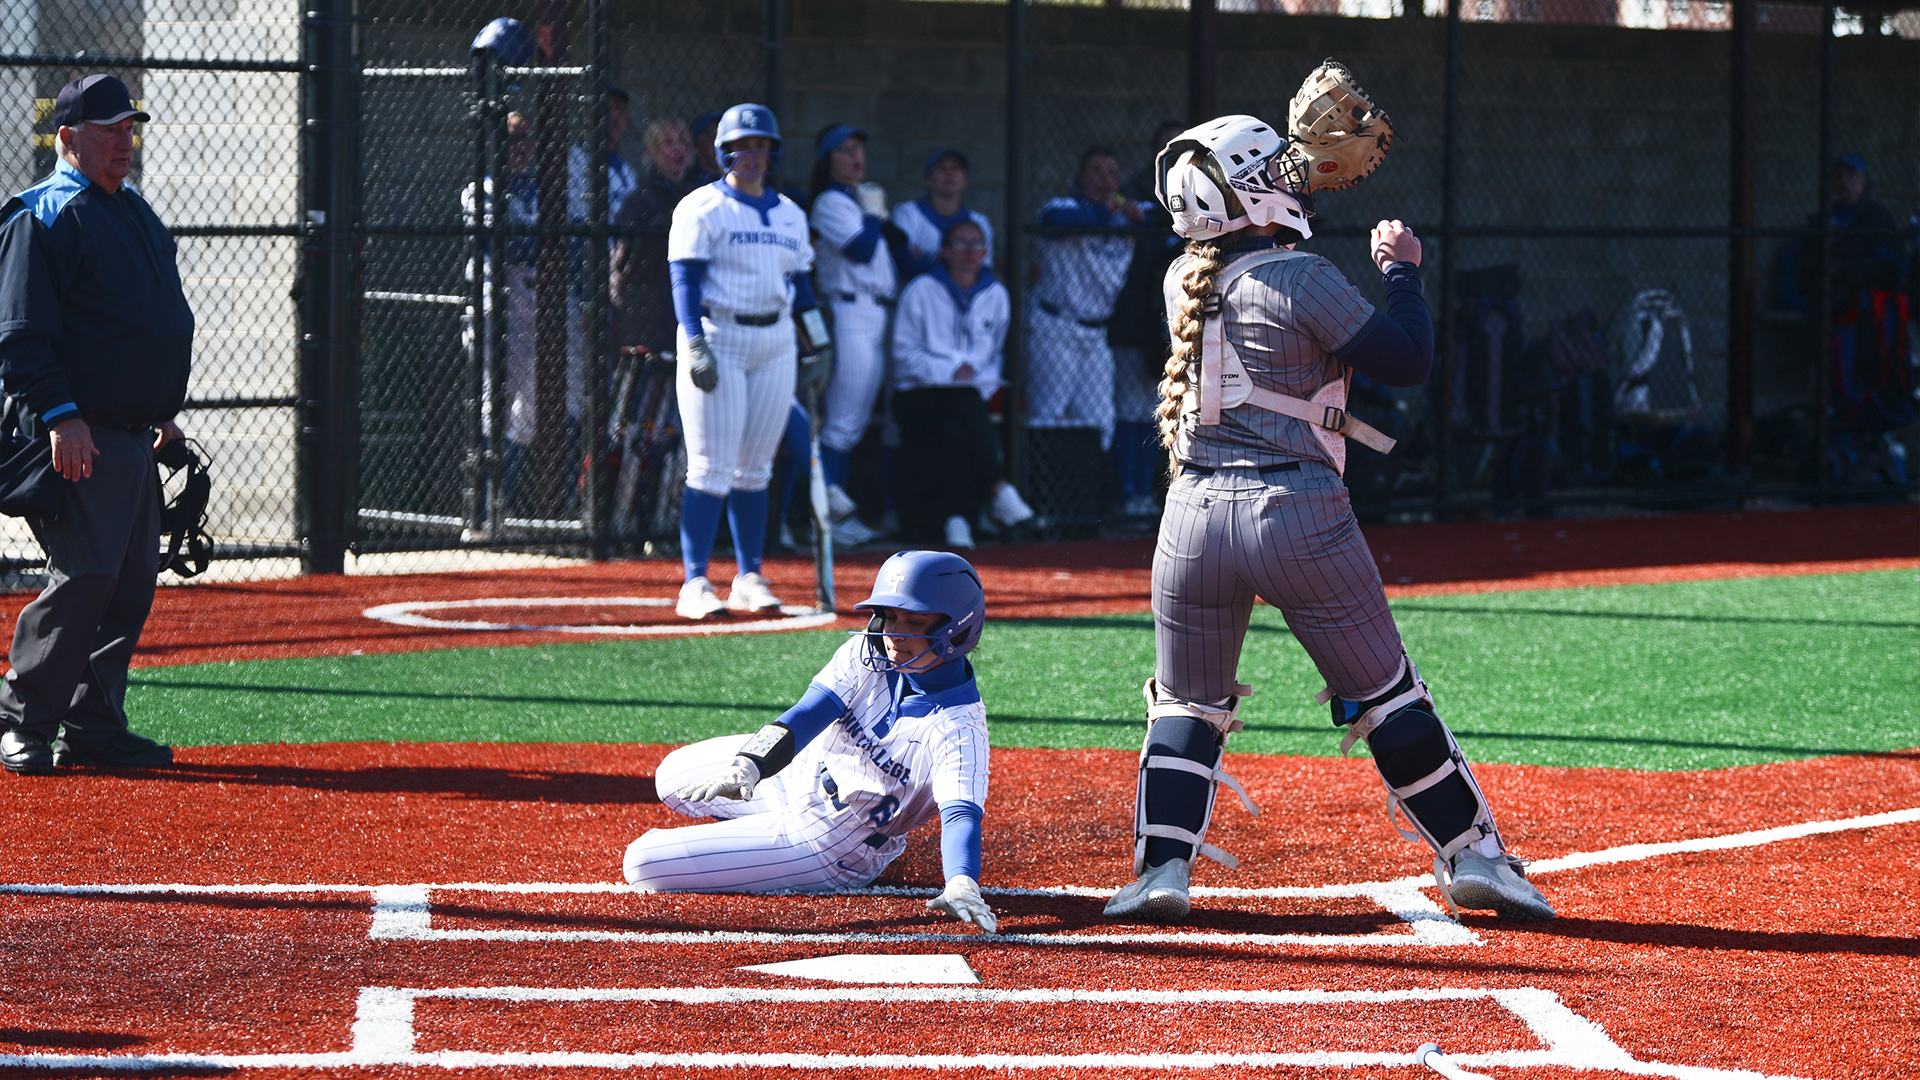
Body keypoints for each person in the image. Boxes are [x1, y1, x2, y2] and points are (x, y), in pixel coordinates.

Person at [1102, 115, 1554, 924]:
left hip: (1192, 518)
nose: (1289, 173)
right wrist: (1403, 272)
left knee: (1185, 705)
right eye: (1270, 168)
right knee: (1386, 695)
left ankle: (1161, 872)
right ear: (1245, 192)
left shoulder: (1180, 279)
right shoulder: (1301, 276)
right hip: (1296, 511)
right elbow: (1408, 360)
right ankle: (1474, 856)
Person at [625, 550, 997, 934]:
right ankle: (751, 830)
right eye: (889, 616)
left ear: (959, 628)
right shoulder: (867, 654)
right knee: (669, 775)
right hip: (802, 774)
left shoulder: (960, 727)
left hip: (834, 841)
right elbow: (806, 716)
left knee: (641, 862)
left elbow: (961, 816)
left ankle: (764, 844)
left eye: (914, 621)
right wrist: (749, 765)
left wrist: (961, 882)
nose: (893, 634)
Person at [0, 75, 189, 773]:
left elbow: (144, 321)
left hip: (129, 432)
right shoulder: (41, 214)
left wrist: (158, 413)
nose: (123, 140)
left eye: (128, 127)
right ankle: (22, 717)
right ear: (67, 139)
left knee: (130, 581)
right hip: (78, 432)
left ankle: (94, 723)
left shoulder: (130, 208)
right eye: (108, 129)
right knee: (85, 577)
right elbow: (21, 336)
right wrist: (61, 417)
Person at [666, 103, 821, 620]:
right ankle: (695, 582)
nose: (752, 155)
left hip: (775, 340)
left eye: (762, 146)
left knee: (755, 469)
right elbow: (684, 279)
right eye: (743, 145)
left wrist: (819, 344)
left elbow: (801, 288)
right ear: (723, 151)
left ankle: (749, 576)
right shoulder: (700, 207)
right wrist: (693, 342)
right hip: (719, 334)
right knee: (710, 466)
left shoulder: (791, 214)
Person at [889, 219, 1034, 548]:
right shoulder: (921, 289)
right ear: (944, 251)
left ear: (985, 252)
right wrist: (951, 371)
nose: (969, 252)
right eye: (960, 244)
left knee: (957, 428)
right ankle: (998, 490)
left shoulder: (996, 294)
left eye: (976, 245)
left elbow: (995, 354)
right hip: (916, 394)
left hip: (969, 401)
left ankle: (956, 520)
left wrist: (974, 383)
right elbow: (903, 353)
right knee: (965, 403)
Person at [808, 125, 897, 548]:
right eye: (844, 151)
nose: (855, 157)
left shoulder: (856, 198)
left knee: (853, 424)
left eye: (858, 148)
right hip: (847, 310)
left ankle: (832, 513)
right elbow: (860, 249)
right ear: (828, 160)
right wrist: (875, 216)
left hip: (875, 313)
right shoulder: (830, 200)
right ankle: (826, 518)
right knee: (840, 426)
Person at [1027, 146, 1143, 453]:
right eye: (1096, 172)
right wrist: (1106, 212)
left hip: (1096, 335)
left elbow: (1164, 216)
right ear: (1080, 178)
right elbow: (1054, 222)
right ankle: (1043, 493)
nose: (1105, 180)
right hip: (1056, 328)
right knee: (1048, 414)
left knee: (1101, 421)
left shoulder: (1125, 217)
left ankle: (1086, 495)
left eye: (1112, 174)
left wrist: (1138, 218)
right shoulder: (1060, 206)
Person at [1107, 122, 1187, 520]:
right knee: (1132, 408)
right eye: (1167, 146)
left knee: (1163, 408)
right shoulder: (1135, 193)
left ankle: (1153, 493)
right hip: (1134, 318)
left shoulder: (1203, 192)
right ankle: (1128, 494)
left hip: (1175, 321)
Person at [891, 149, 995, 281]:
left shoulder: (980, 222)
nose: (949, 173)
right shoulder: (907, 212)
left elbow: (982, 273)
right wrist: (962, 264)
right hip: (918, 298)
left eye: (956, 168)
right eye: (941, 168)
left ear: (966, 181)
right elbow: (906, 267)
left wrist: (928, 260)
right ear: (928, 180)